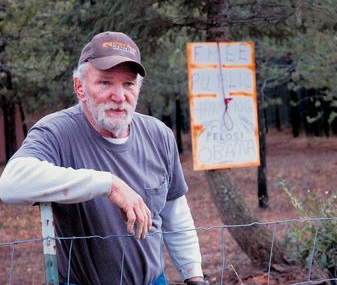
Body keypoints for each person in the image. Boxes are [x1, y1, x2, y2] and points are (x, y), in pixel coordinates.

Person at [0, 31, 207, 285]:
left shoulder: (159, 135)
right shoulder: (57, 132)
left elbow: (176, 214)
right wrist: (108, 184)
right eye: (105, 82)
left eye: (129, 84)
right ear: (80, 88)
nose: (119, 97)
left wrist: (194, 277)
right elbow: (10, 183)